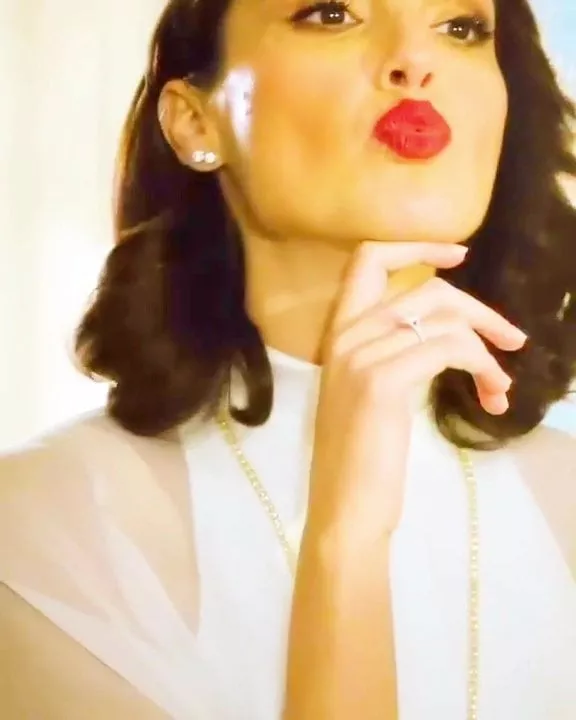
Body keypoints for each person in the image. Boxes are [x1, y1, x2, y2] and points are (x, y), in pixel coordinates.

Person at [1, 0, 575, 717]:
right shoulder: (43, 527)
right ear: (195, 120)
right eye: (331, 14)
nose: (416, 61)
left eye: (461, 28)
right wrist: (345, 542)